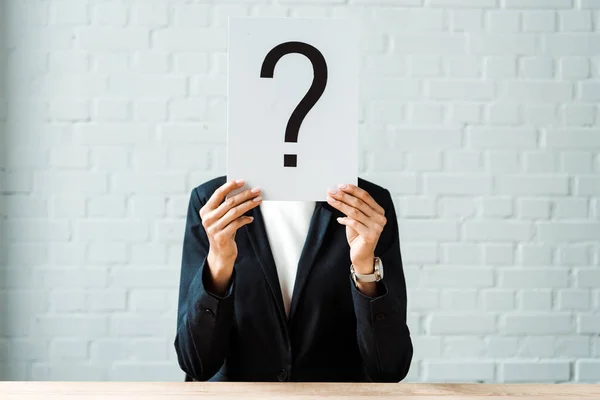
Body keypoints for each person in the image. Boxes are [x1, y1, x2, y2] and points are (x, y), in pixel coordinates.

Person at [174, 176, 413, 382]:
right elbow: (196, 363)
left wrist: (364, 267)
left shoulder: (368, 207)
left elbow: (389, 368)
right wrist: (219, 261)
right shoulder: (213, 205)